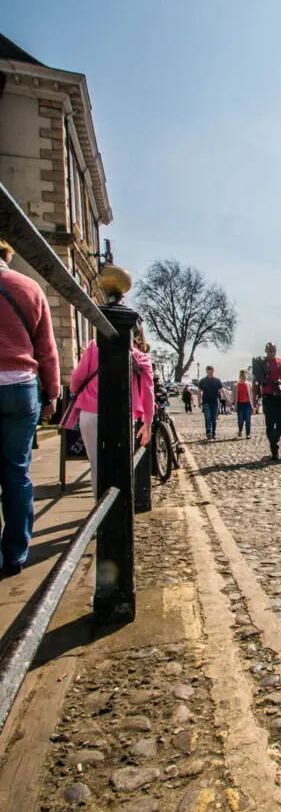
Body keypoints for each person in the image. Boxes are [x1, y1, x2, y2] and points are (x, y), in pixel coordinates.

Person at [0, 238, 61, 576]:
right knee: (17, 473)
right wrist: (52, 395)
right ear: (7, 256)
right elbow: (47, 349)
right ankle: (16, 553)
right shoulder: (28, 287)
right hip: (22, 386)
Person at [66, 325, 153, 495]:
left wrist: (77, 392)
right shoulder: (140, 357)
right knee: (119, 464)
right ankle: (116, 509)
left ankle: (99, 504)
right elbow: (147, 391)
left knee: (96, 464)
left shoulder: (94, 347)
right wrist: (147, 422)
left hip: (91, 412)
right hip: (123, 415)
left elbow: (77, 378)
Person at [260, 342, 281, 460]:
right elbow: (256, 381)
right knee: (270, 424)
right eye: (269, 350)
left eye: (273, 350)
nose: (271, 352)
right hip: (267, 396)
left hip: (279, 395)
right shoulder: (261, 363)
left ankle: (273, 441)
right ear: (266, 351)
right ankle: (274, 450)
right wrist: (255, 397)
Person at [197, 365, 225, 441]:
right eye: (209, 372)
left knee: (214, 419)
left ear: (213, 371)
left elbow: (222, 390)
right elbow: (199, 392)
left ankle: (213, 433)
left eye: (211, 372)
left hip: (215, 402)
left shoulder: (217, 380)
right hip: (206, 402)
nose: (210, 374)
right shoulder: (202, 381)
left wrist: (226, 399)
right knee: (208, 418)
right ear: (206, 371)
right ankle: (209, 432)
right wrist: (199, 402)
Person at [234, 370, 254, 439]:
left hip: (248, 404)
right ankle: (240, 430)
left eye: (245, 376)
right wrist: (230, 402)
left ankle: (248, 434)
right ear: (240, 376)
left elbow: (252, 395)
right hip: (240, 404)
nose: (244, 377)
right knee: (240, 420)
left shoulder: (249, 384)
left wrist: (254, 405)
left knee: (248, 420)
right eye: (242, 376)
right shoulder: (236, 385)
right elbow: (233, 395)